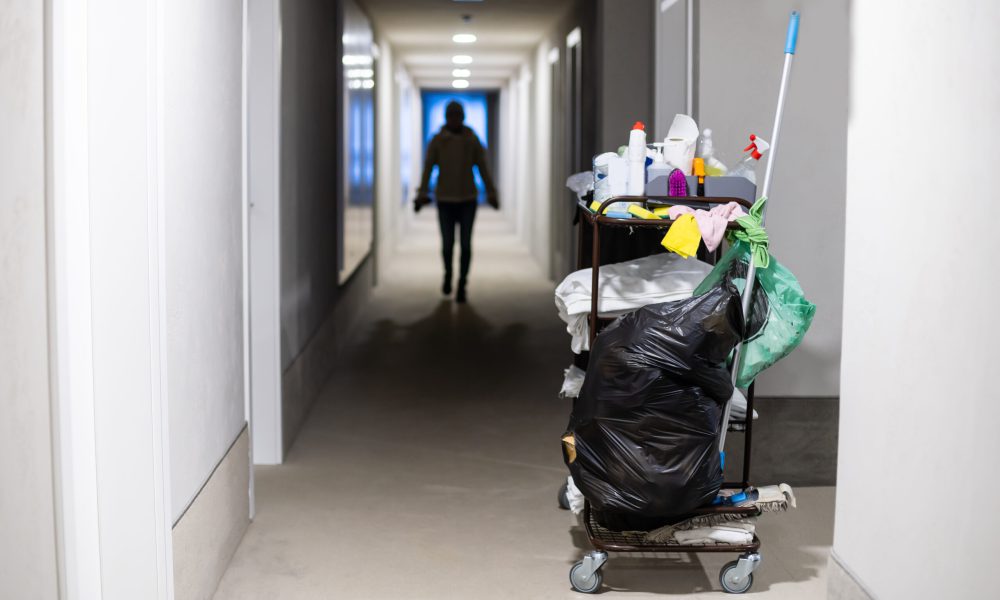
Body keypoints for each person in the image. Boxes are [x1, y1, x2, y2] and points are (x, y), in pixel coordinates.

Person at [415, 100, 498, 303]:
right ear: (446, 117)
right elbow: (428, 168)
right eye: (451, 115)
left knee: (466, 245)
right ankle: (448, 274)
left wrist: (491, 193)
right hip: (445, 199)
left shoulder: (472, 140)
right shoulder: (438, 141)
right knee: (447, 244)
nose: (454, 119)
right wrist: (422, 193)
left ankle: (462, 283)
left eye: (457, 115)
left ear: (462, 117)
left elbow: (483, 168)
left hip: (468, 199)